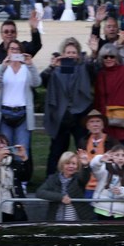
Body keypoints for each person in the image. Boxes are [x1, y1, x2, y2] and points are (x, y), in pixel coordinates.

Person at [43, 38, 95, 178]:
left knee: (82, 149)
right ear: (63, 53)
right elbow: (43, 80)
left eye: (73, 52)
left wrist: (94, 51)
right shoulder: (57, 68)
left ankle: (85, 180)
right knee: (56, 151)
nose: (71, 55)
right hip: (62, 117)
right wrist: (52, 67)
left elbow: (93, 69)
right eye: (68, 52)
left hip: (79, 116)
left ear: (78, 54)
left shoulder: (84, 66)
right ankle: (51, 180)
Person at [90, 42, 124, 169]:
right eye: (105, 57)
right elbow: (98, 97)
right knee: (109, 152)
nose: (109, 59)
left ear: (117, 57)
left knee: (123, 152)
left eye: (112, 56)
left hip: (122, 118)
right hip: (106, 119)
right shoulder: (101, 74)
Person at [0, 41, 41, 158]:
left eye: (17, 49)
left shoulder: (26, 69)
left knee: (22, 149)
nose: (14, 51)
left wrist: (31, 65)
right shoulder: (0, 67)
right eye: (12, 49)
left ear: (21, 52)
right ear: (7, 51)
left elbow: (37, 83)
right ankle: (6, 175)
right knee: (5, 149)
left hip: (22, 114)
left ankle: (20, 175)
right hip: (5, 113)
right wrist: (3, 67)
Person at [0, 133, 31, 222]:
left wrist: (24, 157)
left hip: (14, 207)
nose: (0, 146)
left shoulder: (13, 163)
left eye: (3, 143)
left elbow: (26, 176)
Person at [36, 150, 94, 222]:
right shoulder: (53, 178)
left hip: (77, 220)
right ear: (62, 165)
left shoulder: (78, 178)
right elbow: (40, 192)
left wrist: (85, 165)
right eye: (67, 163)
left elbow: (85, 177)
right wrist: (60, 197)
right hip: (57, 220)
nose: (71, 166)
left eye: (74, 164)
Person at [88, 143, 124, 220]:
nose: (120, 158)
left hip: (119, 214)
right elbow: (94, 166)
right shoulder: (104, 169)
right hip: (101, 210)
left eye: (123, 155)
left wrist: (122, 191)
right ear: (112, 156)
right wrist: (100, 159)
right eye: (117, 155)